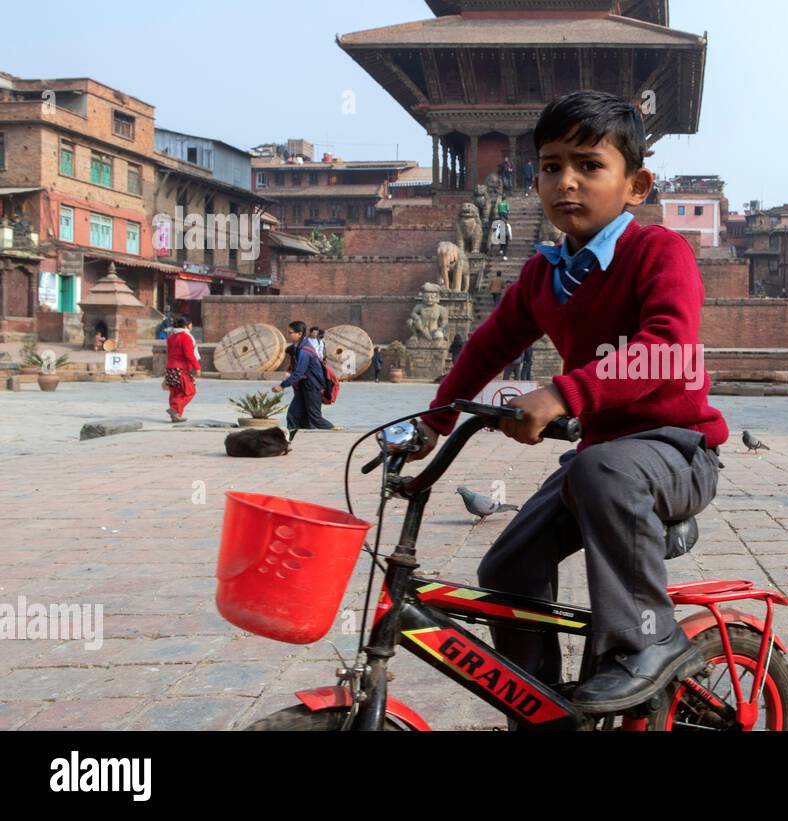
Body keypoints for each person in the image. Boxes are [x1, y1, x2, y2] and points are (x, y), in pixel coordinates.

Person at [408, 90, 727, 719]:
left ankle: (646, 639)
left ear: (636, 185)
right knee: (507, 564)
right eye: (552, 166)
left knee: (598, 469)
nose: (567, 182)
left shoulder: (660, 253)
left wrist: (564, 392)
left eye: (589, 165)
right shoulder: (543, 275)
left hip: (679, 452)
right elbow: (485, 347)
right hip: (603, 461)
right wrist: (433, 422)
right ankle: (543, 708)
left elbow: (666, 346)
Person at [273, 320, 335, 437]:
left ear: (300, 334)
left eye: (290, 332)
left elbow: (299, 372)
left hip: (312, 387)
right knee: (293, 415)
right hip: (303, 386)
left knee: (315, 418)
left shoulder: (305, 351)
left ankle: (338, 433)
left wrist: (282, 385)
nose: (288, 335)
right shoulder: (300, 347)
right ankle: (288, 442)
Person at [164, 314, 200, 423]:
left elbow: (169, 353)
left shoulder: (171, 337)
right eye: (191, 325)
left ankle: (176, 415)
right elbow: (189, 354)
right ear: (187, 326)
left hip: (170, 367)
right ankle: (175, 409)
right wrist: (197, 367)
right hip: (181, 368)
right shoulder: (185, 337)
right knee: (189, 391)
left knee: (175, 392)